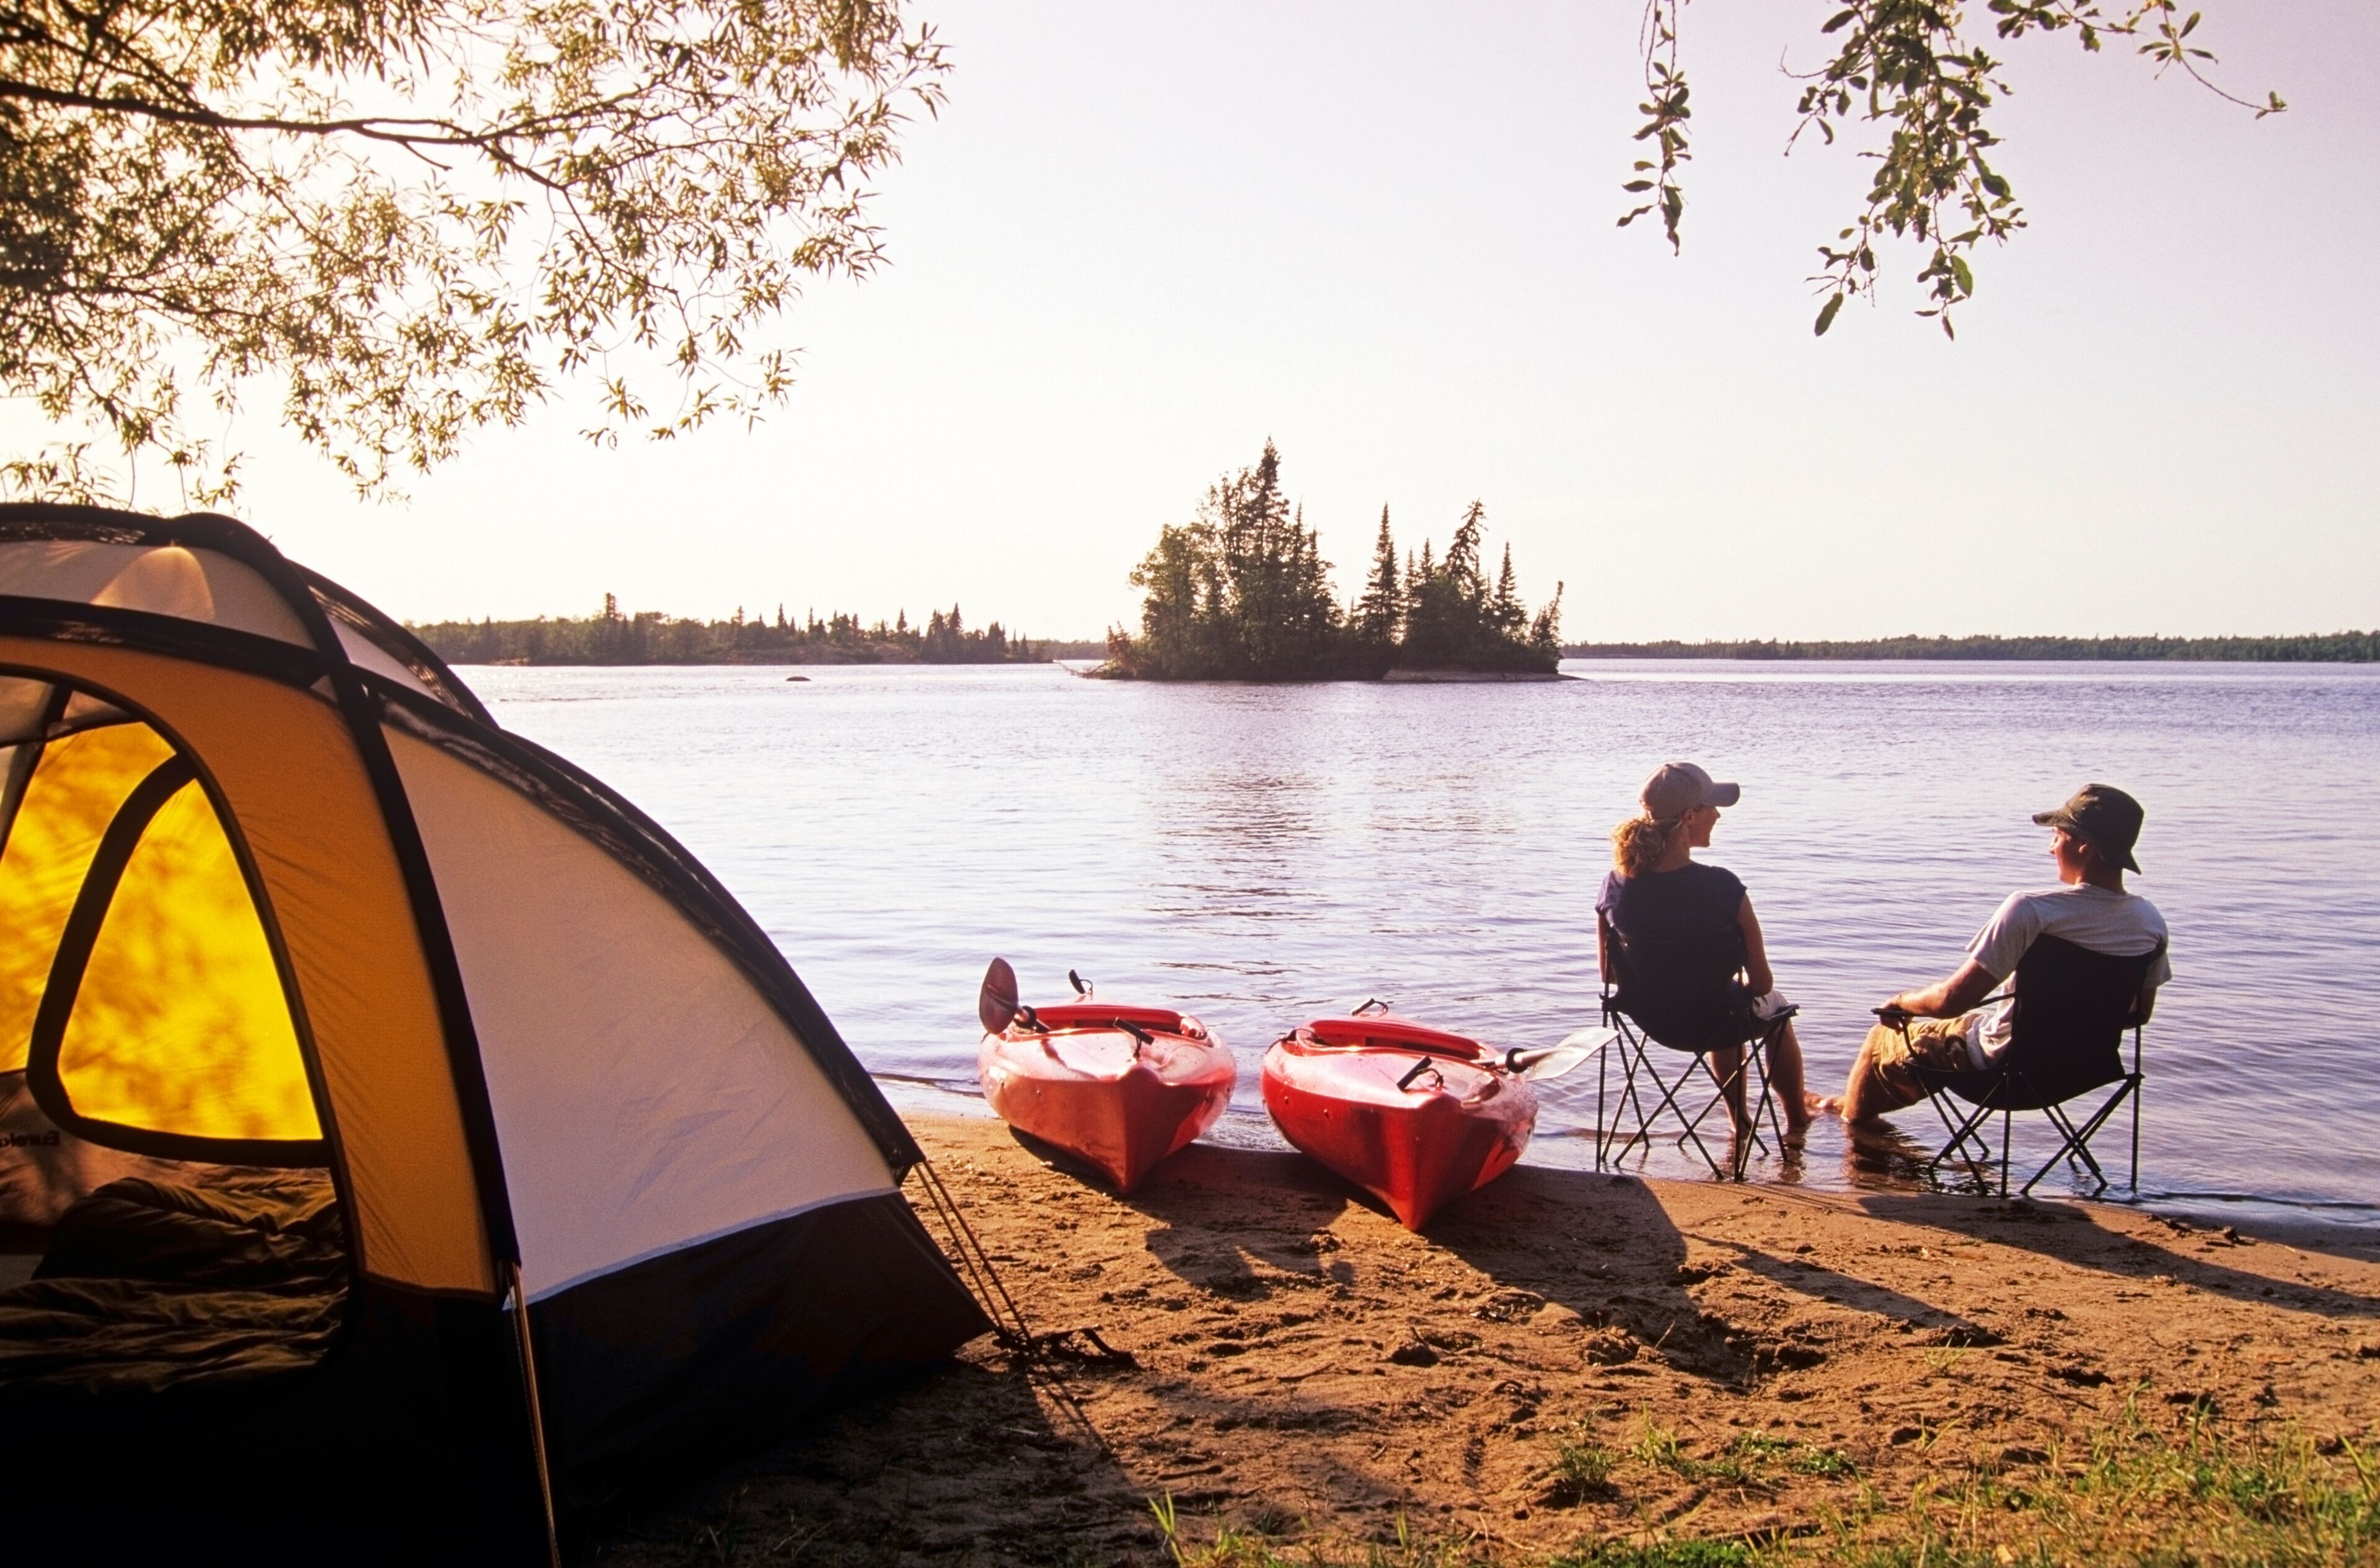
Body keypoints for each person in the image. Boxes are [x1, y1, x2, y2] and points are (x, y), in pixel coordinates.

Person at [1828, 783, 2172, 1126]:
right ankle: (1845, 1109)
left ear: (2085, 845)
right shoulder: (2149, 923)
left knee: (1884, 1037)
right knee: (1956, 1031)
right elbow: (2139, 1013)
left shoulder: (2031, 911)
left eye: (2057, 836)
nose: (2051, 848)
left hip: (2004, 1070)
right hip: (2082, 1073)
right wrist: (2073, 1024)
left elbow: (1952, 1000)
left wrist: (1901, 1002)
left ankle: (1856, 1141)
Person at [1597, 761, 1814, 1142]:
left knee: (1723, 1003)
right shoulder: (1724, 888)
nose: (1717, 815)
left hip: (1653, 1022)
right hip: (1716, 1020)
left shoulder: (1615, 885)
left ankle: (1739, 1121)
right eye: (1712, 808)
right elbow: (1762, 983)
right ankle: (1798, 1122)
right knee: (1768, 1009)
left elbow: (1609, 975)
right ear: (1690, 817)